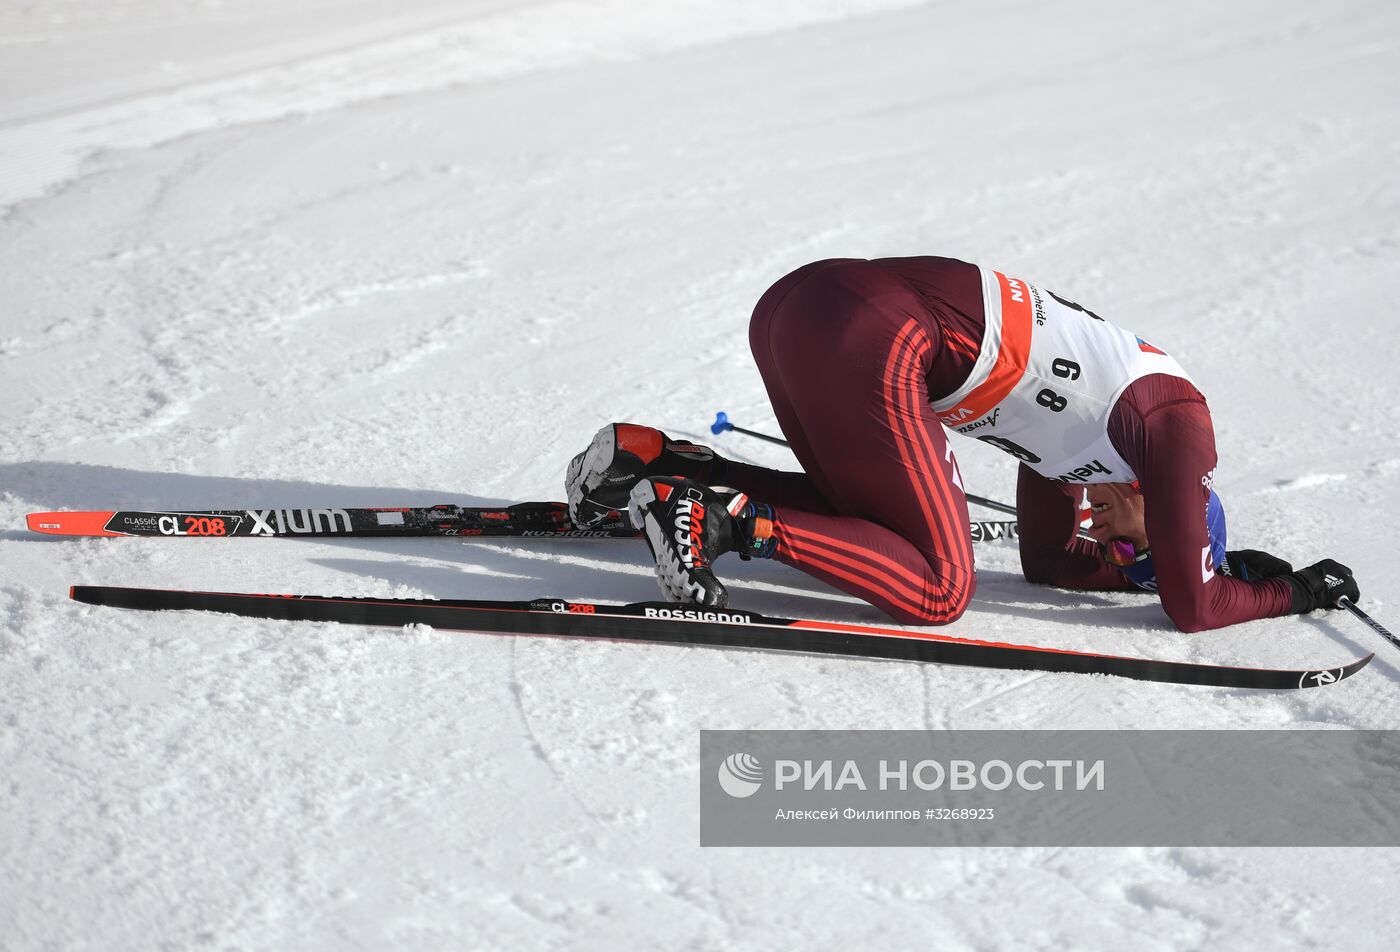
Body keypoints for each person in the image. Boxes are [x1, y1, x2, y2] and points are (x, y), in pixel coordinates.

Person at [566, 256, 1358, 632]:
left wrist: (1135, 579)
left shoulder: (1082, 462)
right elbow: (1193, 607)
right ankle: (720, 519)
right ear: (1188, 514)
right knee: (941, 589)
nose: (1106, 543)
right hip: (878, 330)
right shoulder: (1179, 434)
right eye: (1132, 549)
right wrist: (1298, 591)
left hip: (803, 305)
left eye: (1118, 561)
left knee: (870, 522)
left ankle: (657, 464)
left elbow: (1048, 562)